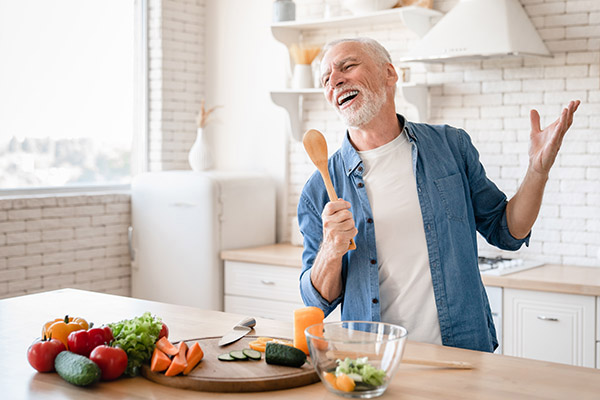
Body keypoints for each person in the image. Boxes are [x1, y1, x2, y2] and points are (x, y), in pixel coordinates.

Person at [297, 37, 580, 352]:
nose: (335, 80)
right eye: (326, 79)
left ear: (389, 73)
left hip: (463, 352)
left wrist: (537, 170)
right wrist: (331, 250)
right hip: (374, 361)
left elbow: (507, 231)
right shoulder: (320, 187)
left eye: (347, 66)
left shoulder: (450, 147)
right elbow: (316, 300)